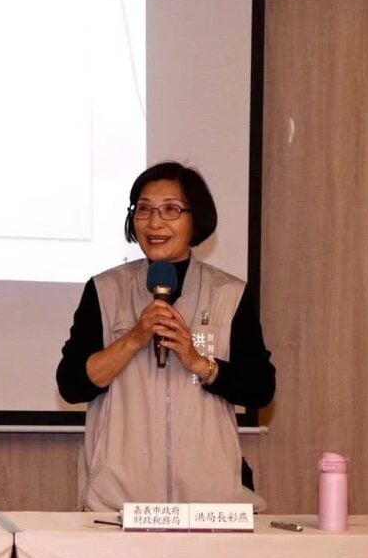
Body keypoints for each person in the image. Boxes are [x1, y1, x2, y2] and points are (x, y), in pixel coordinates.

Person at [57, 161, 275, 511]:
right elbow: (71, 385)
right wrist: (134, 338)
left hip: (210, 504)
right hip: (120, 504)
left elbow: (261, 388)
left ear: (196, 219)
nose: (154, 223)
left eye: (171, 210)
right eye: (143, 209)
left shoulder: (229, 293)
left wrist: (198, 362)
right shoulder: (105, 290)